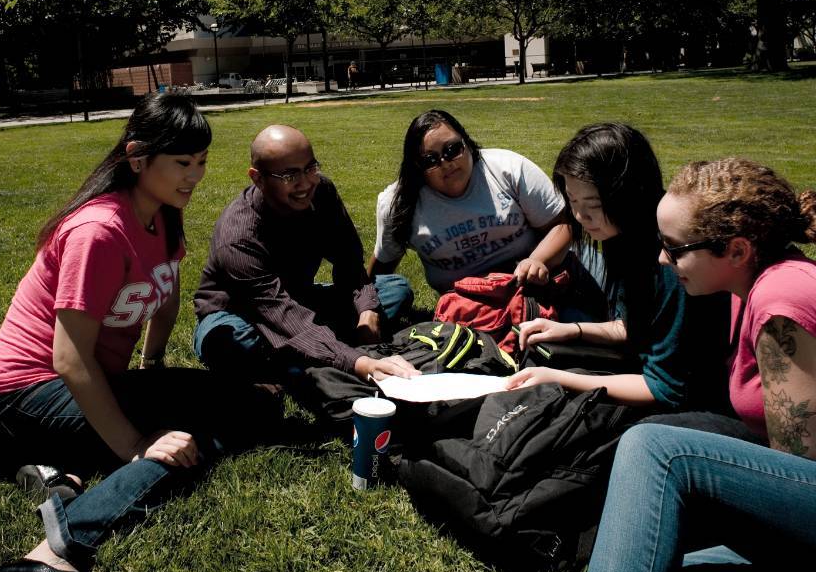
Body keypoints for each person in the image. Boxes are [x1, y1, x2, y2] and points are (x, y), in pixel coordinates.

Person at [0, 95, 271, 572]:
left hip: (86, 386)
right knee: (190, 435)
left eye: (201, 162)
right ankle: (56, 548)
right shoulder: (98, 231)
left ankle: (58, 473)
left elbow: (166, 291)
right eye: (182, 163)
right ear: (137, 157)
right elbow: (69, 358)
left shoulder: (161, 216)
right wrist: (134, 445)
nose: (195, 175)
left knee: (248, 406)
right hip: (20, 397)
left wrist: (153, 366)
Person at [575, 158, 816, 572]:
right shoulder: (748, 288)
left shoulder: (780, 301)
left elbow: (798, 466)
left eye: (674, 247)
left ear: (738, 250)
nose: (663, 259)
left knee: (655, 447)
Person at [506, 123, 731, 412]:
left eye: (593, 204)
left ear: (628, 194)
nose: (580, 215)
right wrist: (570, 330)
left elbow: (667, 388)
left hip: (701, 401)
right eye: (572, 200)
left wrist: (559, 379)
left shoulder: (671, 262)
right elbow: (633, 327)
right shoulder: (622, 234)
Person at [193, 124, 419, 411]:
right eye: (289, 175)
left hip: (300, 298)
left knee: (394, 289)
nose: (305, 183)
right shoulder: (238, 237)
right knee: (227, 343)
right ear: (257, 178)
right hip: (242, 314)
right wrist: (358, 362)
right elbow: (279, 313)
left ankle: (306, 351)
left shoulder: (321, 192)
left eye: (310, 167)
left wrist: (367, 311)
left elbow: (349, 262)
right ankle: (317, 348)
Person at [368, 109, 572, 295]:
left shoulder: (508, 169)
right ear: (416, 168)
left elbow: (563, 224)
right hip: (467, 303)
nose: (445, 163)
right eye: (430, 160)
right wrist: (365, 305)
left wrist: (537, 260)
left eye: (452, 149)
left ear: (467, 142)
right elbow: (382, 269)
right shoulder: (398, 204)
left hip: (531, 284)